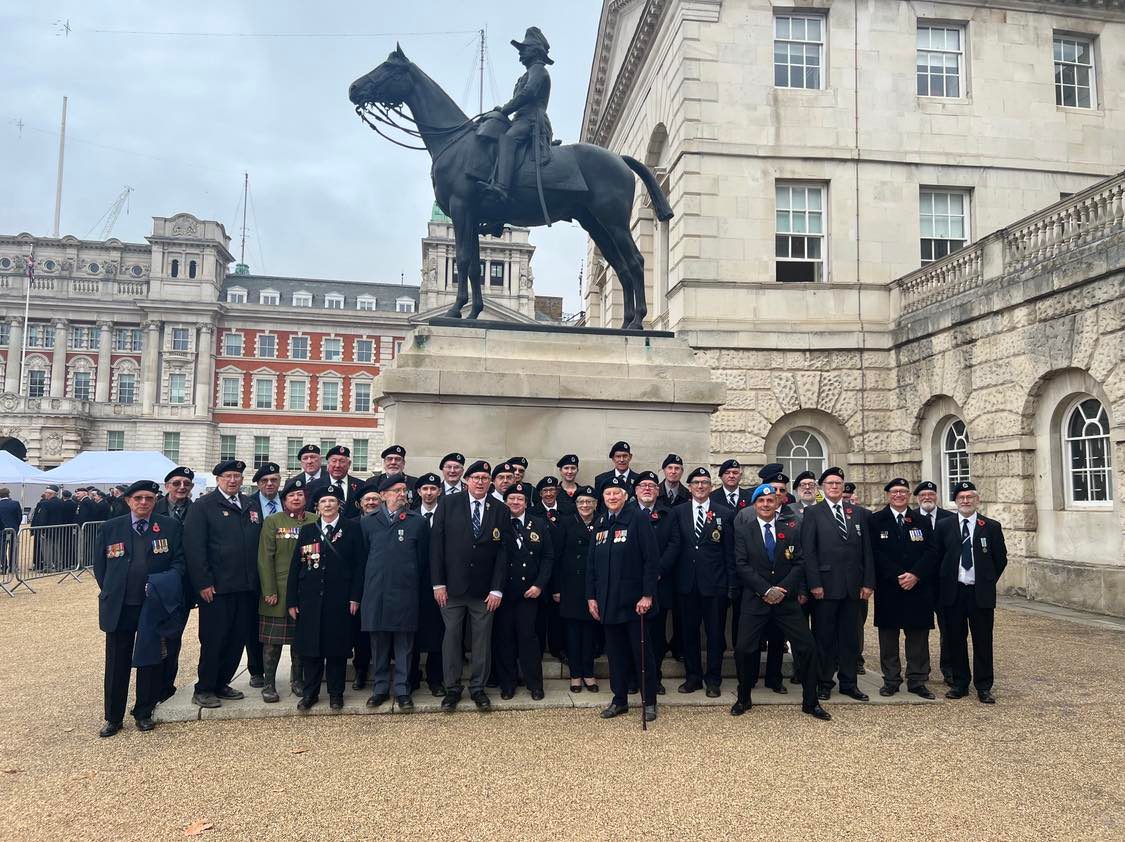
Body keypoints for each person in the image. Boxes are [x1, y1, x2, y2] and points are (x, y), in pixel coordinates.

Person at [93, 480, 187, 736]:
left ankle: (144, 711)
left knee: (150, 659)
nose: (143, 502)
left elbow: (179, 564)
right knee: (116, 662)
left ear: (155, 501)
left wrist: (160, 586)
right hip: (121, 606)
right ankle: (113, 717)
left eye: (149, 498)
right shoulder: (111, 527)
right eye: (138, 498)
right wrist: (115, 590)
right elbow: (100, 568)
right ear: (128, 501)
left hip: (152, 606)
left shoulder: (169, 526)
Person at [730, 484, 830, 721]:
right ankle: (744, 697)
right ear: (754, 505)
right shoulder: (745, 530)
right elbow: (741, 564)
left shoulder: (791, 529)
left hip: (785, 601)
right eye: (761, 501)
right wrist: (765, 589)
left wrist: (782, 589)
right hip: (756, 600)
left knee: (807, 647)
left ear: (778, 504)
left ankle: (810, 702)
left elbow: (799, 562)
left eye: (770, 501)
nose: (766, 505)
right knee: (744, 648)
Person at [430, 460, 512, 712]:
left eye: (484, 478)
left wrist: (497, 588)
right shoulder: (448, 503)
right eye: (475, 477)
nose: (480, 482)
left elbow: (503, 552)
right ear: (467, 481)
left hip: (484, 591)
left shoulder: (499, 508)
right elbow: (436, 546)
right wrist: (438, 583)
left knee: (481, 641)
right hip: (452, 588)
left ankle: (478, 688)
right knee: (451, 639)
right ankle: (452, 688)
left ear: (490, 482)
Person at [184, 459, 263, 708]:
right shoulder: (204, 506)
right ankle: (204, 687)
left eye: (237, 477)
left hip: (246, 586)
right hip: (217, 588)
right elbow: (195, 548)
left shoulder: (250, 504)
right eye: (228, 476)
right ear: (218, 479)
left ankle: (222, 682)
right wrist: (203, 582)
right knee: (214, 638)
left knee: (237, 638)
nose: (233, 480)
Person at [587, 476, 660, 722]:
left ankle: (649, 701)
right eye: (608, 494)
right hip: (607, 602)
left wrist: (647, 595)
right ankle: (619, 700)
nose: (612, 497)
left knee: (641, 654)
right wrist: (591, 598)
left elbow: (652, 559)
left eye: (616, 493)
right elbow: (591, 566)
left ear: (626, 496)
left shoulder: (637, 519)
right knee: (615, 656)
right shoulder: (600, 523)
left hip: (634, 603)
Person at [288, 485, 366, 711]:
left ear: (339, 504)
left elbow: (359, 566)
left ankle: (336, 694)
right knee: (310, 650)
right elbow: (296, 567)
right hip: (310, 600)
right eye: (323, 502)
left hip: (339, 600)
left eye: (332, 501)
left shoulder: (352, 529)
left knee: (337, 650)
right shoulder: (308, 530)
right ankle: (310, 694)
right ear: (317, 507)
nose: (328, 505)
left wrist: (355, 597)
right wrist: (292, 600)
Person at [801, 467, 875, 702]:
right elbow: (808, 551)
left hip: (853, 587)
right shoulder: (813, 513)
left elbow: (867, 552)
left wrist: (868, 583)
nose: (835, 486)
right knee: (824, 637)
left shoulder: (858, 513)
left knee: (850, 638)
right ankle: (824, 682)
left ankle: (849, 682)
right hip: (825, 586)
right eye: (830, 483)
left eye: (838, 483)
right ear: (822, 487)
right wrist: (814, 583)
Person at [359, 473, 429, 711]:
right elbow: (364, 557)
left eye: (403, 490)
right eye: (396, 490)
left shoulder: (416, 521)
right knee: (378, 645)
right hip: (376, 592)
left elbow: (422, 560)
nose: (402, 494)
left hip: (405, 592)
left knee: (404, 646)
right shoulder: (368, 522)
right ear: (383, 495)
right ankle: (379, 688)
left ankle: (402, 689)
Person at [933, 481, 1007, 704]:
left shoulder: (991, 526)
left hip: (979, 593)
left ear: (977, 500)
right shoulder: (945, 525)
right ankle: (960, 683)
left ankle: (984, 686)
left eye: (970, 497)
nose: (965, 501)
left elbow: (1000, 559)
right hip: (954, 592)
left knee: (983, 640)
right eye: (961, 498)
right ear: (955, 501)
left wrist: (986, 579)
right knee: (955, 639)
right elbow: (937, 557)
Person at [665, 467, 734, 697]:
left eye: (705, 482)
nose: (701, 486)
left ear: (711, 486)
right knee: (689, 634)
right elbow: (675, 547)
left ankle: (713, 679)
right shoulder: (678, 512)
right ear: (690, 486)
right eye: (696, 483)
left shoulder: (724, 513)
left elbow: (729, 553)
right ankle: (692, 677)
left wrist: (730, 585)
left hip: (715, 586)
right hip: (686, 585)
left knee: (715, 635)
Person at [871, 478, 938, 699]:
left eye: (903, 491)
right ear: (888, 495)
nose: (899, 495)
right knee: (888, 636)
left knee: (917, 635)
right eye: (894, 491)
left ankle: (917, 680)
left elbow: (931, 551)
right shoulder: (876, 520)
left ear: (909, 495)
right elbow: (875, 553)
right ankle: (891, 680)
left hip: (917, 587)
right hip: (890, 587)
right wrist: (898, 575)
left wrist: (915, 575)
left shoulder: (921, 520)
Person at [257, 476, 316, 702]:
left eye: (300, 495)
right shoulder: (273, 521)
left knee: (299, 640)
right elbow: (265, 557)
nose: (296, 498)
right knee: (272, 642)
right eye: (291, 495)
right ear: (284, 500)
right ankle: (269, 684)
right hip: (278, 590)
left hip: (304, 590)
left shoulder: (314, 519)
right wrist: (269, 590)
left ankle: (297, 680)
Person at [493, 482, 553, 700]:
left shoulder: (539, 523)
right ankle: (507, 684)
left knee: (529, 639)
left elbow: (548, 557)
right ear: (506, 502)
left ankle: (535, 684)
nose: (515, 502)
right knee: (505, 638)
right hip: (505, 593)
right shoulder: (498, 524)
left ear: (526, 503)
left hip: (530, 592)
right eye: (511, 499)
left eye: (519, 499)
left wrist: (539, 585)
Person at [481, 26, 554, 205]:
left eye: (524, 49)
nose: (520, 54)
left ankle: (501, 188)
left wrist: (505, 109)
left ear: (535, 51)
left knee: (507, 139)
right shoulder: (527, 73)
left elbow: (527, 94)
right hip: (520, 119)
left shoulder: (538, 70)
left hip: (531, 120)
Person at [152, 465, 196, 701]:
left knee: (174, 637)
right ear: (167, 486)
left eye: (186, 484)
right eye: (177, 483)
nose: (182, 487)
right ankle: (150, 686)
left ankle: (166, 686)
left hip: (184, 586)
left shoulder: (197, 509)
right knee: (151, 637)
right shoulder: (153, 508)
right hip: (155, 585)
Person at [631, 471, 677, 694]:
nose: (647, 489)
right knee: (632, 634)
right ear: (636, 491)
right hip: (631, 585)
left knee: (657, 636)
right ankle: (633, 678)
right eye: (643, 485)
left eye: (651, 485)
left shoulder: (668, 514)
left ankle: (654, 678)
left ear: (658, 491)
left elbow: (674, 545)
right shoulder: (626, 513)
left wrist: (657, 571)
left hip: (660, 584)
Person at [552, 485, 599, 693]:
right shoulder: (566, 523)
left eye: (589, 501)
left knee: (590, 633)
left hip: (594, 586)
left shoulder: (603, 522)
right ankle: (575, 675)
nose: (585, 505)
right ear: (576, 505)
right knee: (572, 633)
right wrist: (556, 587)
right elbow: (556, 556)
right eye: (581, 502)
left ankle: (589, 673)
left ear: (596, 504)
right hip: (570, 585)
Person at [914, 479, 956, 684]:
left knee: (948, 627)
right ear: (918, 498)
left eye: (930, 494)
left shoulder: (950, 518)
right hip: (919, 583)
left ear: (936, 496)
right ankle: (921, 670)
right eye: (923, 495)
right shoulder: (910, 518)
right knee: (919, 628)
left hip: (943, 583)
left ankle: (949, 669)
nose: (927, 498)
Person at [411, 473, 445, 696]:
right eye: (425, 489)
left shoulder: (448, 514)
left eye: (433, 489)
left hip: (441, 584)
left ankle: (436, 679)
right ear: (418, 492)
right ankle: (412, 677)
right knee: (411, 632)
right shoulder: (410, 516)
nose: (429, 492)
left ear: (439, 492)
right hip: (414, 584)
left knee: (438, 633)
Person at [307, 445, 363, 519]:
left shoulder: (361, 485)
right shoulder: (313, 486)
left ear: (349, 464)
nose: (337, 465)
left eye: (342, 461)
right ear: (328, 464)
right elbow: (310, 513)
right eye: (334, 461)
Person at [0, 487, 22, 575]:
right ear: (9, 494)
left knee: (2, 549)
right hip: (13, 529)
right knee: (13, 548)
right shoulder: (15, 503)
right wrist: (16, 526)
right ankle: (13, 567)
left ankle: (4, 566)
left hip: (1, 529)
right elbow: (19, 517)